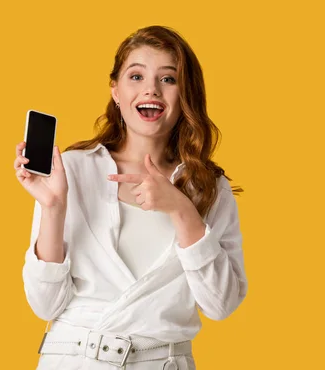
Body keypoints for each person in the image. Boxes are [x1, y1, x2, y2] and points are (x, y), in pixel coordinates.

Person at [14, 25, 248, 370]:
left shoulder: (208, 188)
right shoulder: (73, 170)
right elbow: (45, 305)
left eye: (168, 79)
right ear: (116, 92)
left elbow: (221, 304)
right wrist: (53, 207)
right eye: (136, 76)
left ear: (186, 95)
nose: (151, 89)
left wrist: (182, 209)